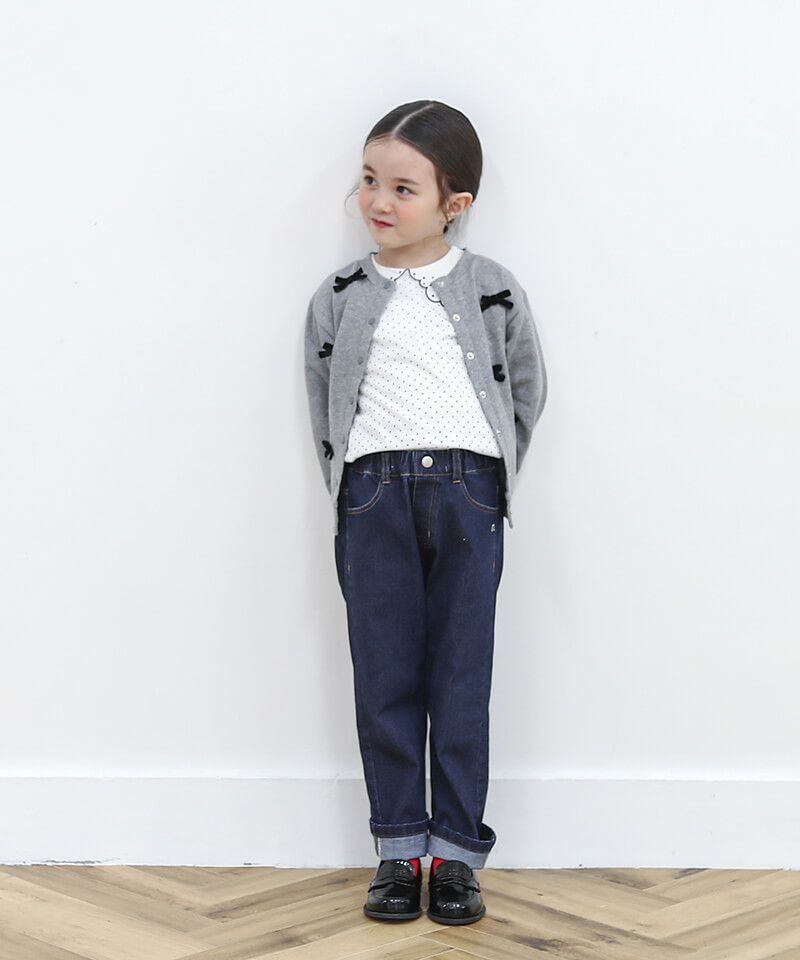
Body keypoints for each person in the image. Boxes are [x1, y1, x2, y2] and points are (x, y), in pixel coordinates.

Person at [303, 100, 548, 924]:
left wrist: (491, 474)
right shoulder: (340, 295)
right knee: (385, 676)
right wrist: (352, 481)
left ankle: (456, 857)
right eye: (370, 180)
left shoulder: (491, 288)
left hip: (469, 492)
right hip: (373, 494)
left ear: (454, 204)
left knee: (461, 676)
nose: (378, 200)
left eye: (403, 188)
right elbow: (322, 398)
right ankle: (398, 849)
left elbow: (527, 389)